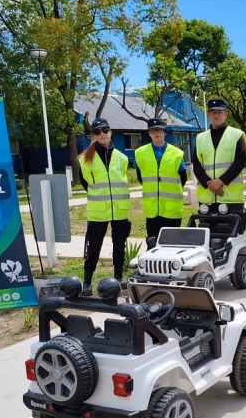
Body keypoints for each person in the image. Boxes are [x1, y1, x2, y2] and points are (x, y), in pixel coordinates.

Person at [78, 117, 131, 296]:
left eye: (105, 130)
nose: (102, 134)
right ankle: (87, 282)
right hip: (98, 212)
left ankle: (118, 278)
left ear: (110, 132)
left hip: (120, 209)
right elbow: (86, 185)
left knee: (119, 245)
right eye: (97, 131)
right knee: (93, 248)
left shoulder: (122, 158)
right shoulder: (84, 160)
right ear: (93, 135)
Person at [193, 98, 246, 223]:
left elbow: (240, 161)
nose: (216, 115)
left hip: (231, 198)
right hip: (207, 198)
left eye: (219, 112)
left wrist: (221, 181)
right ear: (208, 115)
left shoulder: (237, 135)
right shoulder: (200, 138)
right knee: (207, 237)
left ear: (226, 114)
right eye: (213, 112)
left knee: (231, 238)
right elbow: (196, 163)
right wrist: (209, 184)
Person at [134, 118, 187, 241]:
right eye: (153, 130)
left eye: (159, 130)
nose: (156, 133)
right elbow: (140, 176)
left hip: (172, 207)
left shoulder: (177, 153)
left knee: (173, 242)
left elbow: (183, 177)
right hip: (152, 207)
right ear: (149, 133)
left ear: (165, 132)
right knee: (153, 241)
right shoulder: (140, 153)